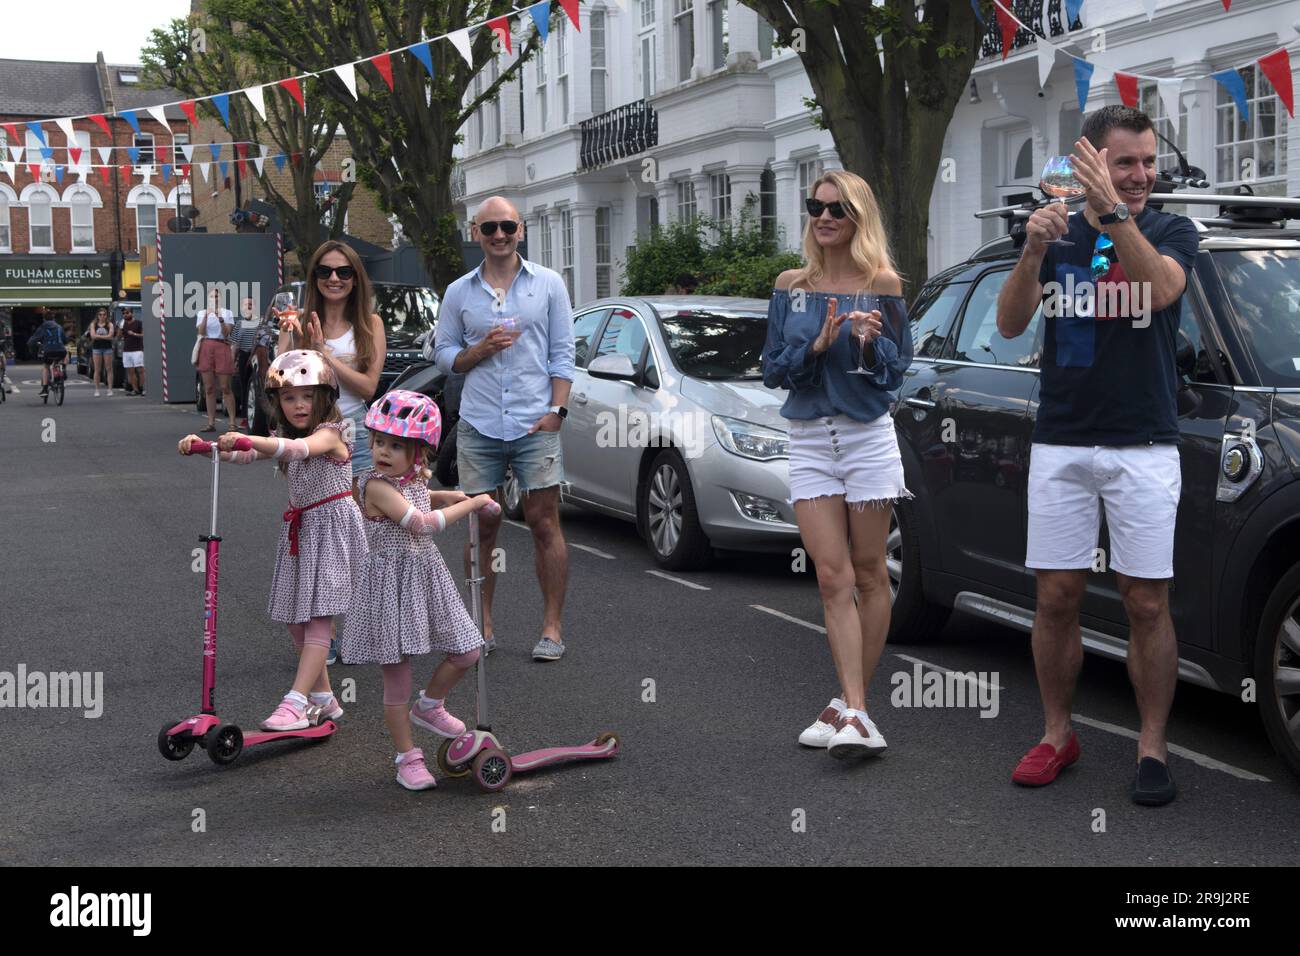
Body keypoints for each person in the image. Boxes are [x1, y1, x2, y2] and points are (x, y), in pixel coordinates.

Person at [995, 106, 1199, 806]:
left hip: (1144, 441)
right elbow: (1010, 321)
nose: (1141, 175)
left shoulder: (1170, 228)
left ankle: (1151, 746)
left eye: (1148, 162)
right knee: (1056, 596)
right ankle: (1057, 734)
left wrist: (1114, 213)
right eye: (1125, 163)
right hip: (1062, 437)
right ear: (1089, 163)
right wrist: (1030, 251)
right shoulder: (1057, 231)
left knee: (1146, 601)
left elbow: (1163, 287)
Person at [762, 169, 913, 759]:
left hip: (867, 438)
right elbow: (774, 367)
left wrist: (872, 344)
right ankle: (855, 710)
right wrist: (818, 346)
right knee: (832, 576)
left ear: (858, 217)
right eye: (817, 207)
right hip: (809, 438)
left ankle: (852, 706)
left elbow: (896, 372)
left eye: (838, 209)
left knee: (871, 571)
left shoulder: (883, 284)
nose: (824, 218)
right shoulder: (790, 284)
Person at [177, 349, 367, 731]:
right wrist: (209, 449)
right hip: (303, 530)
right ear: (278, 402)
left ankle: (295, 701)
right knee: (296, 622)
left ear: (325, 398)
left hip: (332, 531)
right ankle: (324, 698)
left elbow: (299, 450)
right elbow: (254, 454)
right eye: (289, 397)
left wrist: (250, 440)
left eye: (308, 396)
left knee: (317, 620)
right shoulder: (284, 435)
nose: (299, 405)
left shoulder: (332, 433)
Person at [433, 196, 576, 662]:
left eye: (507, 227)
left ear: (521, 229)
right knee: (483, 525)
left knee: (543, 522)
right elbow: (444, 355)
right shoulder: (459, 292)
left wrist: (559, 411)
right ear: (476, 232)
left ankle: (551, 629)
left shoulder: (549, 285)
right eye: (489, 227)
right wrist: (479, 351)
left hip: (536, 421)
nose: (499, 235)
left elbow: (563, 354)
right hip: (479, 423)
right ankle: (481, 624)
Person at [341, 389, 497, 789]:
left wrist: (451, 495)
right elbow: (421, 523)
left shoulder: (406, 482)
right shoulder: (374, 485)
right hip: (388, 586)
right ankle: (406, 756)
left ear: (419, 455)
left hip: (424, 576)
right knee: (398, 677)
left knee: (467, 649)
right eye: (379, 442)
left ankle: (430, 706)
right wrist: (473, 503)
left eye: (397, 445)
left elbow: (422, 497)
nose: (383, 451)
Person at [277, 241, 386, 490]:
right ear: (315, 277)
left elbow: (368, 388)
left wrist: (324, 354)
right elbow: (280, 382)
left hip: (353, 428)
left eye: (343, 272)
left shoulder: (371, 324)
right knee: (314, 511)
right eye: (324, 271)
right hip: (309, 426)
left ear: (355, 278)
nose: (334, 278)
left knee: (356, 516)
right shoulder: (300, 320)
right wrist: (287, 335)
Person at [195, 289, 237, 432]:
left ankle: (232, 422)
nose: (214, 298)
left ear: (221, 298)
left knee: (225, 387)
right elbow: (200, 332)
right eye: (212, 296)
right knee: (209, 388)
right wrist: (207, 316)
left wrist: (220, 318)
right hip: (207, 346)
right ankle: (211, 422)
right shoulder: (202, 313)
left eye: (217, 296)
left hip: (222, 346)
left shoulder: (227, 313)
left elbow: (227, 333)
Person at [231, 297, 261, 427]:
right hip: (244, 356)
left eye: (250, 304)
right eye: (245, 305)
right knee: (245, 387)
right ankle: (245, 417)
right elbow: (235, 345)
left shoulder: (261, 322)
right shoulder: (239, 324)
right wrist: (232, 361)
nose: (248, 307)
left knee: (257, 385)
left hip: (258, 356)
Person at [27, 313, 67, 396]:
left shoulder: (43, 327)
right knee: (61, 357)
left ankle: (45, 389)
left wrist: (29, 344)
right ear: (53, 319)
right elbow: (65, 339)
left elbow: (34, 339)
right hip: (61, 350)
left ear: (44, 319)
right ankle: (63, 369)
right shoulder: (59, 327)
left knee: (46, 366)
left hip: (49, 351)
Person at [89, 307, 115, 397]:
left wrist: (98, 336)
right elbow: (92, 336)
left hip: (107, 348)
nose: (102, 316)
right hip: (97, 348)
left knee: (109, 369)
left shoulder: (109, 324)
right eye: (100, 314)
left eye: (104, 314)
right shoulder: (93, 324)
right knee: (97, 369)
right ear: (98, 315)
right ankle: (97, 390)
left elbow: (111, 336)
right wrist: (105, 336)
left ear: (106, 315)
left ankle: (110, 389)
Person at [121, 308, 145, 396]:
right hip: (126, 350)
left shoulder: (139, 323)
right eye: (123, 313)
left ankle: (143, 388)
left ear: (132, 313)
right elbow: (119, 336)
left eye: (127, 313)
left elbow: (143, 334)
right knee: (130, 371)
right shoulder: (123, 324)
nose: (125, 315)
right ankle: (135, 390)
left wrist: (134, 334)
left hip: (137, 350)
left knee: (140, 370)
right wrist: (120, 328)